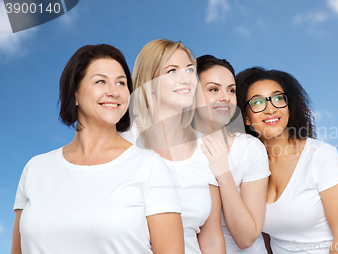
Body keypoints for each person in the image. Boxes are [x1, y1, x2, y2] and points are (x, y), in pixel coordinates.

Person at [11, 44, 184, 254]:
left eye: (121, 83)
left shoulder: (149, 167)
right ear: (74, 94)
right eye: (101, 81)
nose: (114, 92)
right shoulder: (35, 169)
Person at [235, 67, 338, 254]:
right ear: (246, 118)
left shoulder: (321, 156)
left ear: (289, 108)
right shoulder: (249, 166)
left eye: (278, 98)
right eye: (258, 102)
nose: (270, 108)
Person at [126, 39, 225, 254]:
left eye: (190, 70)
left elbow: (211, 238)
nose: (186, 79)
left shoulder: (205, 147)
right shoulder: (123, 143)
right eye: (171, 71)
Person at [192, 55, 270, 253]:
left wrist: (223, 173)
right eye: (213, 89)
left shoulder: (250, 149)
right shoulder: (176, 148)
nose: (225, 97)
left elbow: (246, 238)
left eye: (231, 90)